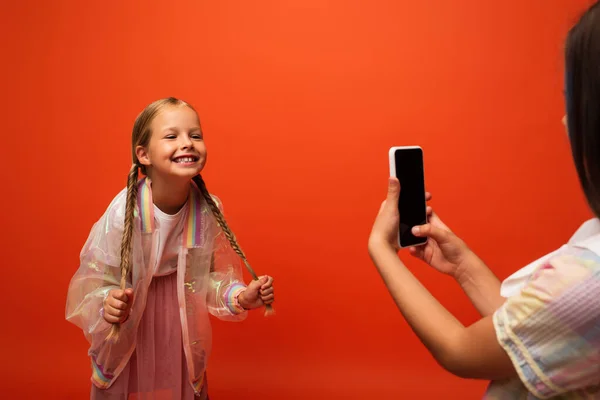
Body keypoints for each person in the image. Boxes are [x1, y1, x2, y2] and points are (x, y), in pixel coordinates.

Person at [367, 2, 600, 398]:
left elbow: (461, 351)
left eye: (573, 101)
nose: (565, 120)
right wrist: (463, 268)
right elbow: (530, 332)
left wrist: (381, 250)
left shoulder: (589, 284)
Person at [66, 97, 275, 399]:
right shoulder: (124, 212)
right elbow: (93, 277)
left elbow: (211, 278)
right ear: (143, 154)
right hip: (134, 311)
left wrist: (242, 295)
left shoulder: (208, 209)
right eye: (171, 136)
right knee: (121, 377)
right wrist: (107, 302)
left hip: (181, 313)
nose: (187, 143)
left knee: (183, 377)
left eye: (195, 135)